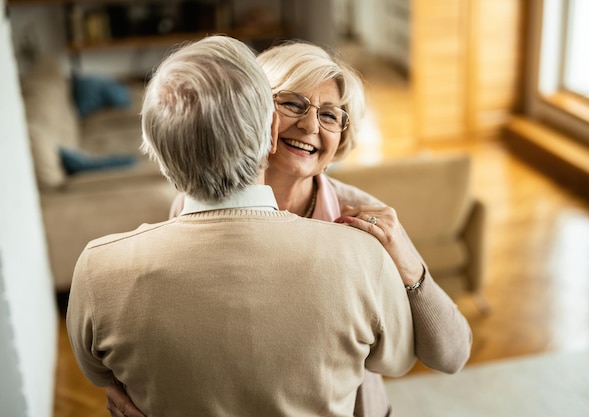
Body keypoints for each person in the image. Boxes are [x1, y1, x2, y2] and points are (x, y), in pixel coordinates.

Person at [106, 41, 473, 417]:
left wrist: (409, 262)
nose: (312, 125)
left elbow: (452, 355)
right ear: (254, 113)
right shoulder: (192, 204)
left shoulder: (364, 221)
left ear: (341, 136)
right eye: (294, 104)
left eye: (330, 115)